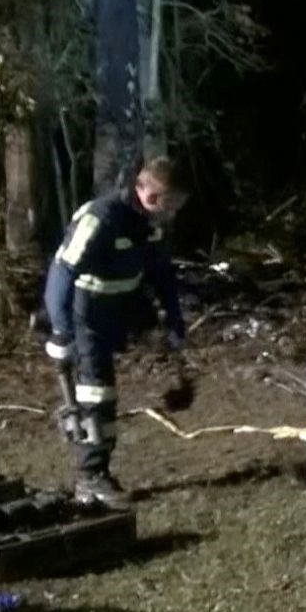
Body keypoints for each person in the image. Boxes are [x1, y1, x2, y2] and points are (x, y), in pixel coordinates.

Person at [43, 157, 189, 506]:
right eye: (174, 204)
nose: (175, 212)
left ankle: (95, 472)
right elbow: (61, 275)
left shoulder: (148, 225)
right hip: (85, 316)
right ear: (153, 196)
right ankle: (91, 476)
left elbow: (161, 275)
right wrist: (61, 332)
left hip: (118, 312)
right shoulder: (100, 218)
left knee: (102, 391)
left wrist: (174, 319)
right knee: (96, 394)